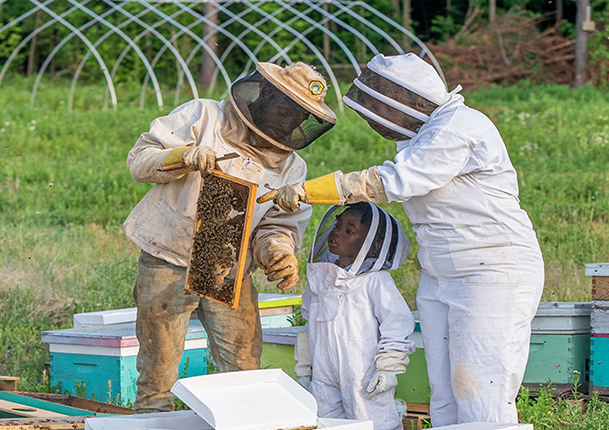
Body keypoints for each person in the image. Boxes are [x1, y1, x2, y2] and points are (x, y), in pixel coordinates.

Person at [260, 53, 544, 425]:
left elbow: (394, 181)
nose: (374, 118)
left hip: (492, 270)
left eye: (378, 107)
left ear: (407, 100)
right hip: (440, 272)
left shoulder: (459, 127)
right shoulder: (422, 137)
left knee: (480, 388)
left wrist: (310, 190)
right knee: (444, 390)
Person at [124, 62, 337, 413]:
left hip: (230, 268)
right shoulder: (203, 115)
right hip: (170, 256)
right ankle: (152, 418)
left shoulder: (292, 167)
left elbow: (278, 226)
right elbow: (139, 161)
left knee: (244, 366)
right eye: (287, 112)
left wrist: (277, 251)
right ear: (265, 93)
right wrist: (181, 157)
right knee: (157, 370)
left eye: (300, 119)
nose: (291, 124)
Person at [294, 203, 414, 430]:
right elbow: (309, 326)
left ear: (372, 245)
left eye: (349, 230)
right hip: (323, 374)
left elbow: (396, 325)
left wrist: (388, 367)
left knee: (373, 423)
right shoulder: (322, 279)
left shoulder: (375, 281)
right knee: (323, 423)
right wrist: (305, 369)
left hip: (362, 377)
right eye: (338, 225)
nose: (337, 232)